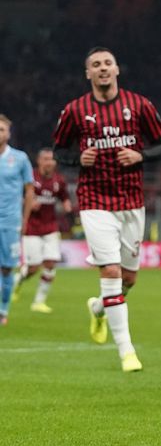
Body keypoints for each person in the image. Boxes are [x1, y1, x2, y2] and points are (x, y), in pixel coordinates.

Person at [53, 47, 161, 372]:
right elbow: (59, 151)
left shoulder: (140, 105)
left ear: (116, 69)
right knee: (111, 272)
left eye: (107, 63)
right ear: (88, 73)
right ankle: (127, 352)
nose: (102, 69)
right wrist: (78, 159)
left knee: (129, 278)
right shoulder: (75, 110)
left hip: (131, 202)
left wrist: (140, 155)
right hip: (93, 201)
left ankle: (98, 309)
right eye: (95, 65)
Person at [12, 148, 72, 314]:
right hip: (31, 228)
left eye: (51, 159)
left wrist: (66, 204)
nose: (49, 162)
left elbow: (64, 195)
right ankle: (17, 282)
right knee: (32, 268)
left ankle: (39, 302)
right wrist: (27, 202)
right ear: (39, 161)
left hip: (51, 227)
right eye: (45, 159)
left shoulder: (59, 180)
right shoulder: (30, 177)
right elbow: (15, 194)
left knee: (51, 264)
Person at [0, 114, 35, 326]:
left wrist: (25, 220)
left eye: (2, 129)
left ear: (9, 133)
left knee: (6, 268)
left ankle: (3, 310)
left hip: (10, 221)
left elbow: (29, 190)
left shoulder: (20, 158)